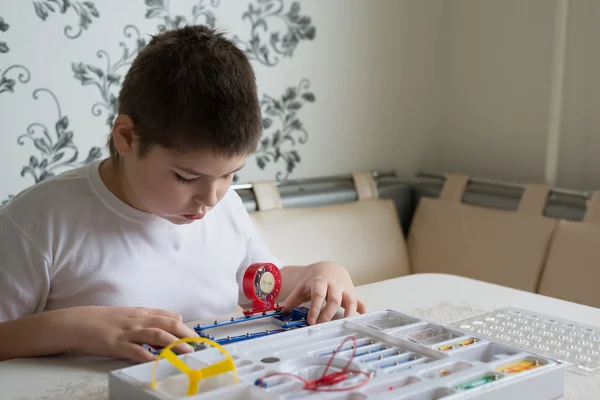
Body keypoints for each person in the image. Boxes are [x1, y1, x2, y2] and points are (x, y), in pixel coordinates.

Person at [0, 25, 367, 363]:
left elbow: (259, 283)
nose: (210, 199)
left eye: (229, 175)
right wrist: (74, 327)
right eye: (185, 177)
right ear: (127, 137)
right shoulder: (39, 220)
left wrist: (321, 273)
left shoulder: (227, 208)